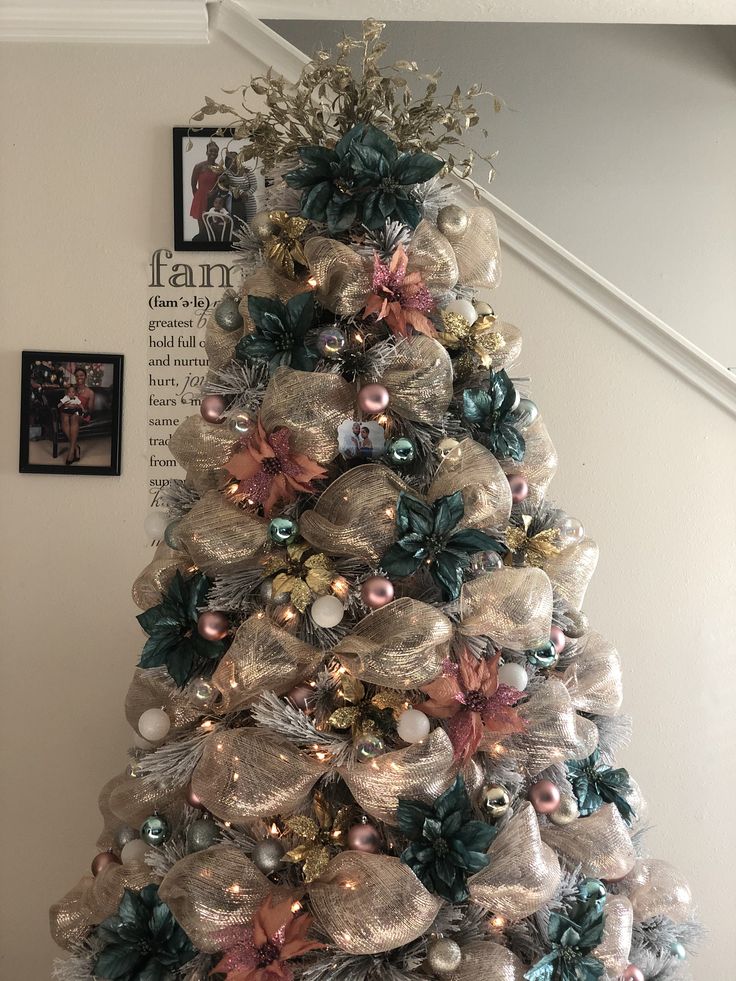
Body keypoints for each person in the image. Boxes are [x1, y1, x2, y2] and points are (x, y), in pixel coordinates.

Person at [61, 367, 95, 465]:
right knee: (64, 415)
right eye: (77, 376)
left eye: (81, 375)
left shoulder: (90, 392)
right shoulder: (72, 389)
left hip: (82, 415)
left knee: (74, 416)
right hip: (70, 412)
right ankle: (76, 447)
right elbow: (65, 401)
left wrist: (81, 408)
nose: (79, 377)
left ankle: (71, 452)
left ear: (85, 377)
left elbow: (90, 410)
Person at [189, 141, 222, 239]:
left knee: (212, 226)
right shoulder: (199, 166)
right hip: (200, 199)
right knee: (202, 230)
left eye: (215, 152)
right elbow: (193, 185)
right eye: (211, 151)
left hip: (213, 200)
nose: (213, 153)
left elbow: (220, 185)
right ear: (206, 152)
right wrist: (198, 198)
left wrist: (213, 193)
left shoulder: (219, 168)